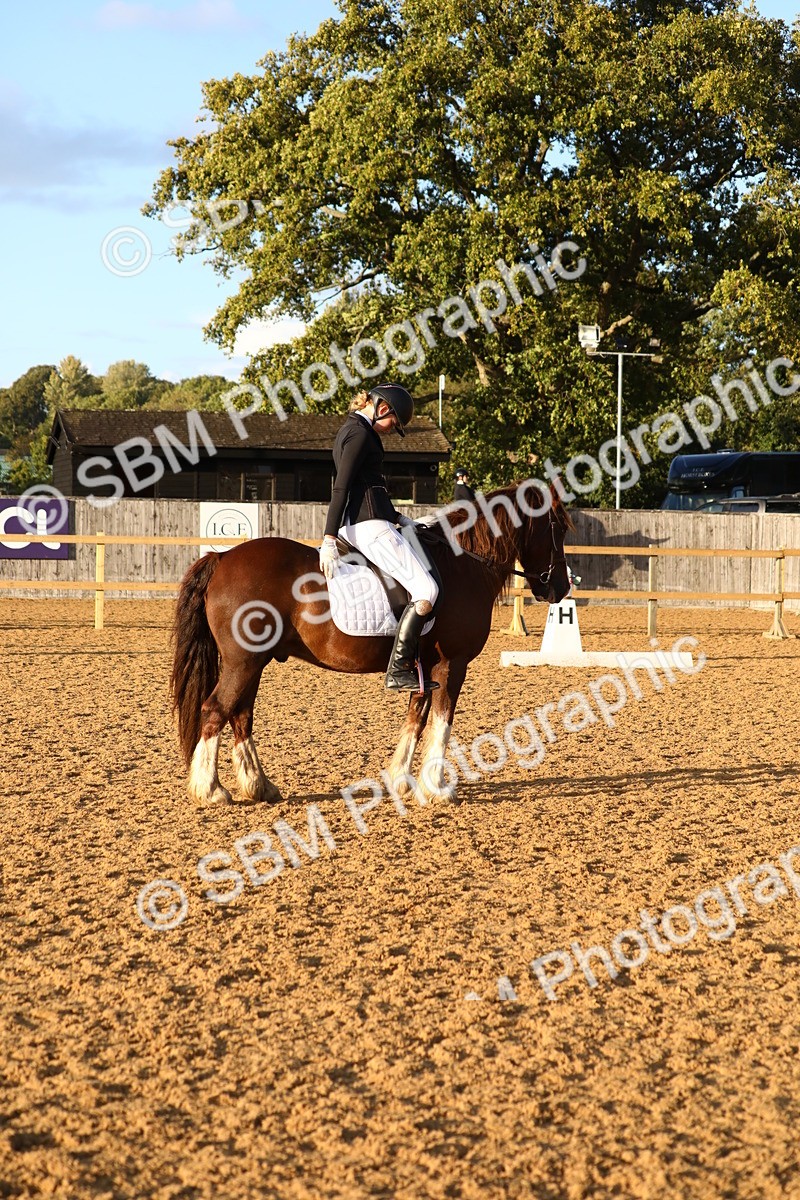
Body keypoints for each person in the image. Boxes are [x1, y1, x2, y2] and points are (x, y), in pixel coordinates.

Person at [319, 385, 440, 692]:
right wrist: (328, 536)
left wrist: (399, 518)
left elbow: (369, 487)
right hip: (369, 527)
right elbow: (342, 487)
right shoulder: (360, 434)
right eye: (393, 424)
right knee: (427, 588)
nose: (391, 430)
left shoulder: (355, 429)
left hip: (372, 521)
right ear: (383, 408)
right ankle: (399, 668)